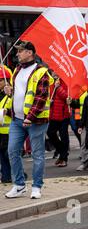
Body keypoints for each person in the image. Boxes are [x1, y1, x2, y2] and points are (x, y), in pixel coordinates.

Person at [4, 41, 53, 199]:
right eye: (17, 51)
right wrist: (9, 91)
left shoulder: (41, 72)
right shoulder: (17, 70)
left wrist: (30, 118)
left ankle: (37, 186)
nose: (17, 54)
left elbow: (40, 98)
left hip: (35, 122)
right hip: (17, 120)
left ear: (30, 53)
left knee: (37, 154)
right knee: (12, 151)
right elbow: (18, 95)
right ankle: (19, 185)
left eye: (21, 51)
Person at [47, 74, 70, 168]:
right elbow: (48, 96)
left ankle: (63, 158)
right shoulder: (51, 82)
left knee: (64, 136)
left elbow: (66, 97)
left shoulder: (66, 81)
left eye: (56, 71)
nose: (53, 73)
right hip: (53, 115)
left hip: (64, 114)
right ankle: (62, 152)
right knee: (50, 133)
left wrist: (58, 87)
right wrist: (49, 101)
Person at [0, 69, 12, 183]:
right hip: (0, 130)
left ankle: (19, 174)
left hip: (9, 130)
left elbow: (19, 110)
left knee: (8, 154)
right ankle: (5, 177)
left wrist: (7, 111)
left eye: (0, 81)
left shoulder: (12, 94)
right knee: (2, 155)